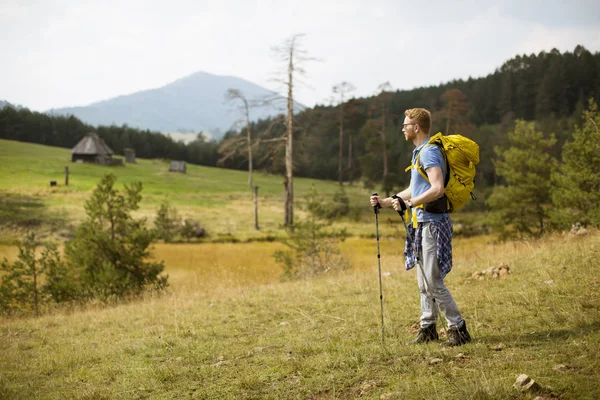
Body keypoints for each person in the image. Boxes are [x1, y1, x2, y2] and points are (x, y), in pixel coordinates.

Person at [369, 108, 471, 347]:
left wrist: (410, 203)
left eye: (405, 125)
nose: (403, 128)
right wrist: (387, 201)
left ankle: (459, 329)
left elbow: (437, 189)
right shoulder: (419, 154)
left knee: (433, 281)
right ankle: (428, 328)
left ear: (416, 127)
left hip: (433, 225)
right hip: (421, 224)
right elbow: (415, 190)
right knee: (423, 282)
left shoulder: (430, 153)